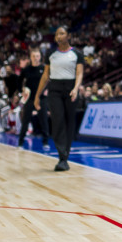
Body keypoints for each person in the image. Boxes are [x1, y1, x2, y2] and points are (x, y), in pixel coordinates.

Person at [32, 27, 84, 172]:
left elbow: (79, 73)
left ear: (68, 36)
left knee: (69, 123)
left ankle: (64, 157)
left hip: (70, 89)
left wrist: (76, 88)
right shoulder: (51, 54)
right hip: (54, 89)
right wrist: (37, 96)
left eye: (62, 33)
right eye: (57, 34)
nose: (58, 36)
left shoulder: (77, 54)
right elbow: (45, 76)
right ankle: (62, 158)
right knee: (57, 121)